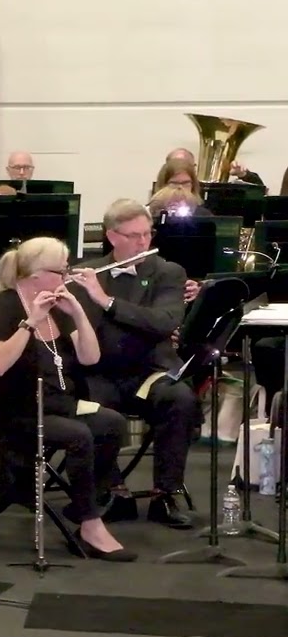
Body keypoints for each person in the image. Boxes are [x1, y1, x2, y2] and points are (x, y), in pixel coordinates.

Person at [0, 236, 135, 561]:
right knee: (79, 435)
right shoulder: (1, 308)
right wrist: (30, 323)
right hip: (18, 410)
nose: (66, 277)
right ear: (35, 275)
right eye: (60, 271)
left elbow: (90, 358)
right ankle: (91, 524)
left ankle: (84, 503)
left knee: (113, 424)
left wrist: (78, 313)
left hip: (60, 403)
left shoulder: (57, 308)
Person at [69, 199, 197, 529]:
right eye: (134, 235)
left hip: (149, 371)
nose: (144, 242)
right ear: (112, 236)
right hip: (99, 372)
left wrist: (107, 302)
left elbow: (164, 322)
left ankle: (164, 494)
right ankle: (113, 491)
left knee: (179, 398)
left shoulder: (168, 272)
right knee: (89, 406)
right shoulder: (87, 274)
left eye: (147, 234)